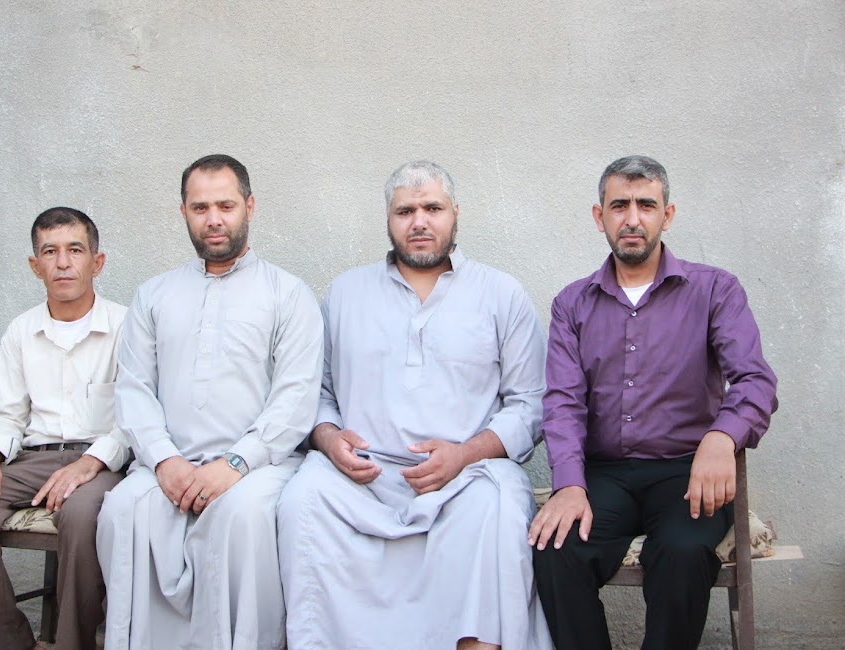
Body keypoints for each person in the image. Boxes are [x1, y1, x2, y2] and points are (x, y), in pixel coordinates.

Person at [277, 160, 553, 650]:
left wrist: (464, 454)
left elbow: (530, 403)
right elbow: (317, 393)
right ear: (388, 219)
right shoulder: (345, 293)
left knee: (497, 504)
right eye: (405, 211)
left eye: (433, 208)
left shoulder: (501, 294)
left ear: (455, 214)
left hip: (465, 479)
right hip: (362, 480)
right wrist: (329, 439)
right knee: (303, 498)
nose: (419, 222)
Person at [529, 155, 779, 650]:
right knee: (556, 550)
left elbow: (755, 381)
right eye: (619, 205)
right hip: (604, 475)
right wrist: (569, 483)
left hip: (688, 473)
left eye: (646, 205)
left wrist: (721, 437)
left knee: (683, 553)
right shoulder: (572, 303)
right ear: (599, 216)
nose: (632, 218)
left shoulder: (715, 290)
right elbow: (562, 402)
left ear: (668, 215)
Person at [96, 154, 323, 650]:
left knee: (243, 516)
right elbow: (134, 388)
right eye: (200, 208)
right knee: (122, 511)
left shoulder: (288, 294)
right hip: (167, 464)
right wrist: (164, 460)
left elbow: (296, 397)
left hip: (260, 466)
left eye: (226, 205)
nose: (214, 219)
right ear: (183, 212)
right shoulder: (153, 295)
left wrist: (236, 463)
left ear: (250, 207)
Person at [0, 207, 129, 650]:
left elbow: (135, 419)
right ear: (35, 265)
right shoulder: (21, 331)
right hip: (32, 461)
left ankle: (73, 642)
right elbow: (6, 414)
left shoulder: (127, 326)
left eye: (75, 250)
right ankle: (8, 642)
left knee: (83, 515)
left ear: (97, 262)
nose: (63, 263)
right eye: (50, 252)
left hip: (102, 463)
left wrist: (90, 462)